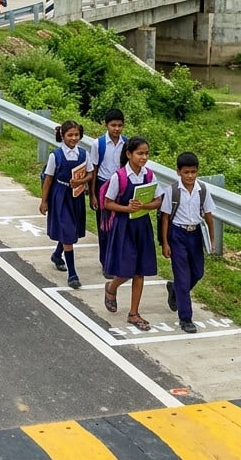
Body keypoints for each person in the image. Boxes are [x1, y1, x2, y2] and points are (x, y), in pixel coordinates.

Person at [101, 137, 163, 332]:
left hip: (142, 226)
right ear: (129, 154)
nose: (144, 157)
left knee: (140, 270)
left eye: (146, 153)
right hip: (123, 226)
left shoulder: (149, 176)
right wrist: (126, 209)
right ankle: (112, 287)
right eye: (140, 153)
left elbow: (158, 200)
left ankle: (134, 313)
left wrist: (144, 205)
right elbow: (108, 202)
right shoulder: (118, 177)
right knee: (126, 269)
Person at [158, 151, 217, 334]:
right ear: (178, 172)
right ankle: (186, 318)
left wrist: (212, 240)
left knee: (198, 272)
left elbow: (208, 216)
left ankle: (175, 289)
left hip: (195, 234)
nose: (190, 176)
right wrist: (165, 243)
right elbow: (165, 218)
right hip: (177, 234)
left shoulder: (203, 190)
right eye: (186, 172)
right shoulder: (172, 191)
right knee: (183, 276)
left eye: (193, 172)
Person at [39, 121, 92, 290]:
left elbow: (90, 173)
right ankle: (72, 274)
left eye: (76, 135)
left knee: (71, 228)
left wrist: (81, 181)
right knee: (68, 231)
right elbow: (48, 179)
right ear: (62, 136)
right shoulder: (56, 155)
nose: (73, 138)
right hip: (60, 195)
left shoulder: (84, 154)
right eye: (70, 135)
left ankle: (57, 255)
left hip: (75, 196)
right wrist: (44, 201)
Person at [89, 108, 127, 278]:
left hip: (120, 187)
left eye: (119, 125)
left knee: (118, 226)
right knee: (104, 226)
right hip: (103, 186)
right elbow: (94, 169)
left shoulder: (126, 144)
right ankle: (105, 262)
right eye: (113, 125)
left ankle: (117, 261)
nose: (116, 129)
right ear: (106, 125)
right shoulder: (98, 144)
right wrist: (93, 194)